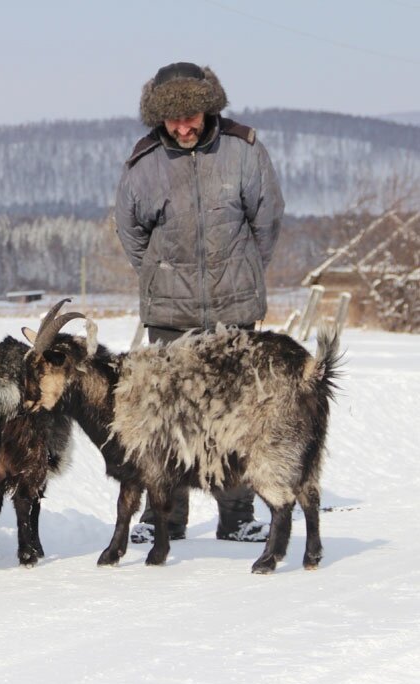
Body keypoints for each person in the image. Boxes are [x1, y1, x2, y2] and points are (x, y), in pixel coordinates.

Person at [114, 62, 285, 544]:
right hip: (170, 315)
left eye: (191, 116)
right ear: (159, 118)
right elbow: (130, 233)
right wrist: (163, 275)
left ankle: (237, 518)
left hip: (235, 310)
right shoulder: (143, 164)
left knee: (237, 412)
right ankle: (164, 518)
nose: (183, 127)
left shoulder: (243, 150)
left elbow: (267, 220)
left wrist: (242, 271)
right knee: (168, 416)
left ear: (208, 109)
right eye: (173, 119)